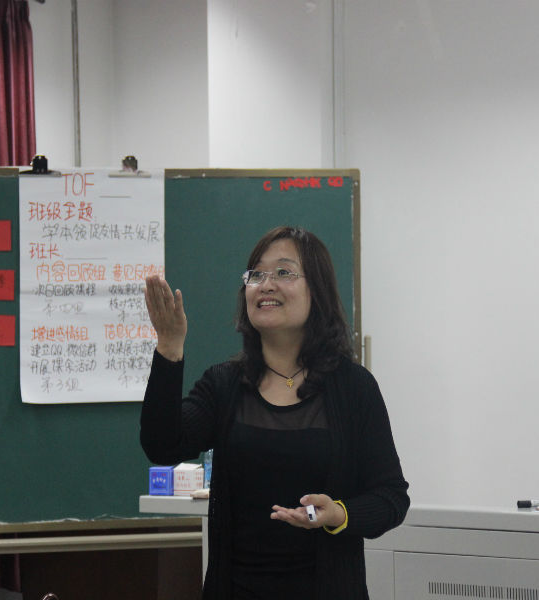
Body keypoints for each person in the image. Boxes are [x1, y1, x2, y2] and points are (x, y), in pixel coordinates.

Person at [140, 226, 410, 599]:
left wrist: (337, 514)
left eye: (284, 272)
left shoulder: (353, 388)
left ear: (317, 290)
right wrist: (169, 347)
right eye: (256, 275)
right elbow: (162, 444)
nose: (266, 285)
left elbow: (391, 498)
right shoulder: (224, 385)